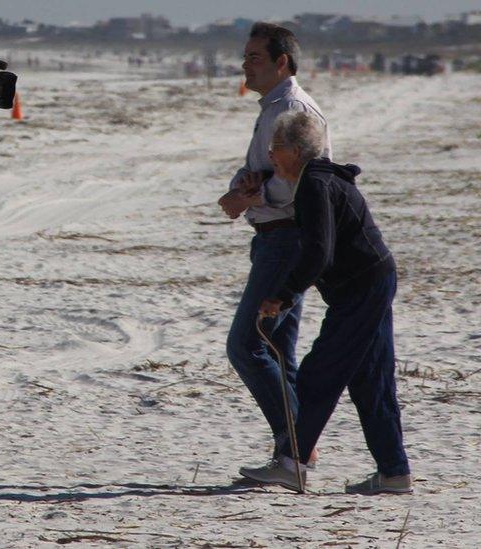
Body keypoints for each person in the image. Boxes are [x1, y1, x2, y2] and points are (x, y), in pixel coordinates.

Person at [239, 112, 412, 495]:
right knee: (372, 379)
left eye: (276, 148)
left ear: (296, 151)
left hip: (363, 287)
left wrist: (282, 296)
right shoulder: (317, 179)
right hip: (372, 281)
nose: (271, 155)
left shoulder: (315, 185)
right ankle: (394, 473)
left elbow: (319, 253)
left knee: (321, 372)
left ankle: (290, 464)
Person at [216, 22, 330, 470]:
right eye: (244, 57)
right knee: (279, 351)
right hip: (271, 237)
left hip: (287, 238)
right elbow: (256, 169)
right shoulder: (270, 108)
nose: (246, 65)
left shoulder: (295, 109)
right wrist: (241, 191)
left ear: (282, 62)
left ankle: (297, 443)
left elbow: (307, 184)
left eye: (255, 58)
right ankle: (292, 454)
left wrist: (248, 196)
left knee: (246, 344)